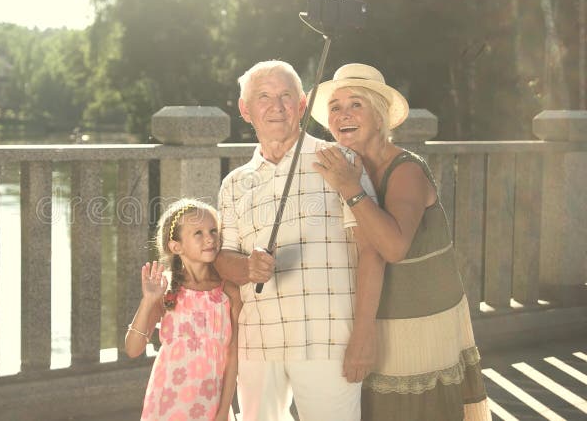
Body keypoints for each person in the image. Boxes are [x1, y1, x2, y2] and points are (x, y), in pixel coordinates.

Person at [311, 63, 491, 420]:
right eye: (335, 106)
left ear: (379, 117)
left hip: (421, 321)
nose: (342, 114)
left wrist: (348, 188)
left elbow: (393, 248)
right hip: (382, 314)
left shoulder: (405, 169)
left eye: (355, 104)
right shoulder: (350, 167)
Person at [215, 60, 384, 421]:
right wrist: (246, 267)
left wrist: (364, 334)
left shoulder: (340, 160)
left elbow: (372, 251)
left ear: (303, 105)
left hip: (328, 340)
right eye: (263, 97)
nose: (276, 107)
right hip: (258, 343)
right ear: (246, 110)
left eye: (285, 96)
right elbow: (222, 258)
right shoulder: (233, 184)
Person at [126, 198, 242, 421]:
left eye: (213, 230)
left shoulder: (228, 292)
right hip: (166, 403)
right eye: (198, 233)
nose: (209, 238)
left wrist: (223, 410)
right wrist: (148, 301)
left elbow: (233, 354)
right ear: (176, 246)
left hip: (211, 406)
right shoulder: (166, 289)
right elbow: (133, 349)